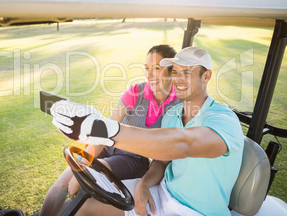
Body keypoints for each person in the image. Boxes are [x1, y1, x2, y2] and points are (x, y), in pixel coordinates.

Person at [50, 46, 244, 216]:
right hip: (161, 194)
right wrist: (144, 183)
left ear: (207, 76)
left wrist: (107, 130)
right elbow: (161, 161)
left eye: (186, 72)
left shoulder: (222, 119)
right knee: (84, 208)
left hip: (196, 211)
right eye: (175, 72)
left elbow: (184, 144)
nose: (178, 78)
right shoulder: (173, 114)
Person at [40, 44, 181, 216]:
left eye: (156, 68)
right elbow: (105, 130)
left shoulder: (177, 105)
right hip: (106, 145)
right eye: (146, 68)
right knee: (62, 182)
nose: (149, 75)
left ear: (172, 71)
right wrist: (83, 164)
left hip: (132, 159)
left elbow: (165, 155)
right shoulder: (136, 91)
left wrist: (85, 171)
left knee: (88, 176)